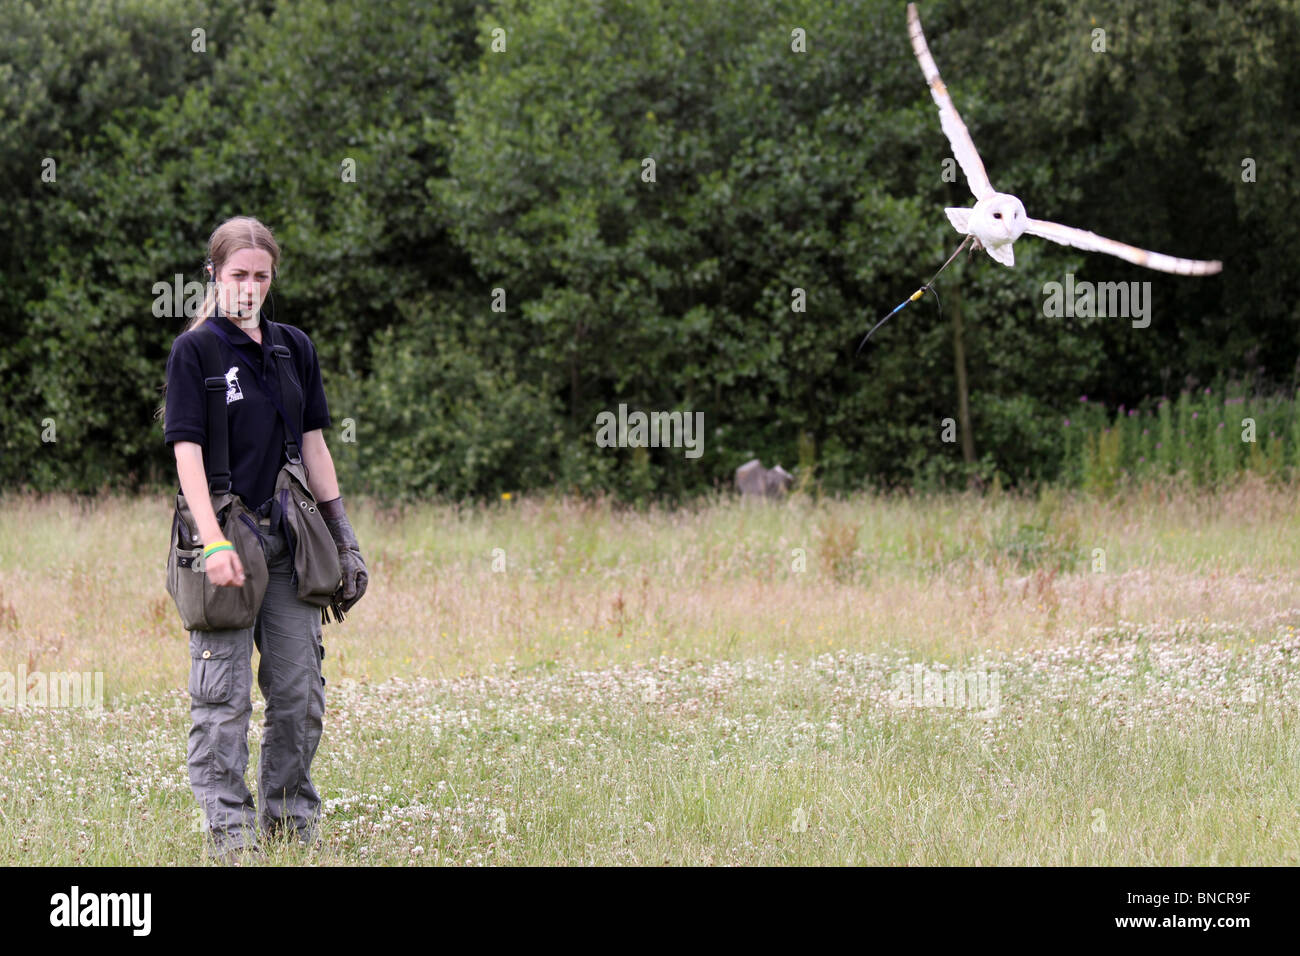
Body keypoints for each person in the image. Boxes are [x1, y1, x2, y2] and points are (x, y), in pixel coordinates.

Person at [155, 216, 368, 863]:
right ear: (215, 275)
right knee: (222, 703)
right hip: (219, 547)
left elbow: (314, 447)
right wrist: (215, 542)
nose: (249, 286)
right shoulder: (195, 353)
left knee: (299, 694)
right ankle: (232, 836)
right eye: (238, 274)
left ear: (272, 278)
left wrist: (345, 536)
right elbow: (186, 454)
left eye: (261, 275)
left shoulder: (293, 347)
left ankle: (289, 824)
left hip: (291, 549)